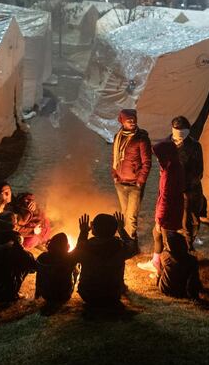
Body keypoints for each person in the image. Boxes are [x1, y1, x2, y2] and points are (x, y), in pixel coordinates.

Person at [138, 140, 186, 275]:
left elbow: (166, 198)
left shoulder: (169, 173)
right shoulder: (175, 166)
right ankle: (156, 262)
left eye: (159, 156)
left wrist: (160, 219)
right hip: (175, 209)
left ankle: (167, 271)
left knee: (167, 240)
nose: (157, 159)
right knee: (156, 233)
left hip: (168, 213)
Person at [72, 212, 136, 306]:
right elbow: (132, 247)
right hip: (113, 295)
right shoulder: (120, 247)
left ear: (94, 230)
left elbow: (76, 255)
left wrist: (83, 232)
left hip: (89, 294)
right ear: (115, 230)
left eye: (93, 224)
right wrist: (121, 230)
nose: (91, 224)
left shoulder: (86, 246)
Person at [111, 108, 152, 253]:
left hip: (135, 184)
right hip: (121, 182)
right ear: (122, 121)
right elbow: (115, 157)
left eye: (134, 119)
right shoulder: (118, 136)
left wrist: (140, 181)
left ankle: (133, 245)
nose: (133, 122)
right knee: (124, 213)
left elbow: (147, 162)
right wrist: (115, 175)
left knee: (132, 216)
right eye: (129, 120)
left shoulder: (141, 138)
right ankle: (125, 240)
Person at [0, 211, 37, 301]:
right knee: (24, 262)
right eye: (15, 223)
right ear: (11, 226)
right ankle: (12, 294)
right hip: (3, 292)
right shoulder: (12, 244)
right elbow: (33, 266)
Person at [169, 116, 206, 250]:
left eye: (182, 130)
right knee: (178, 216)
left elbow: (199, 170)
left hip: (190, 188)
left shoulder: (195, 146)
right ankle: (184, 241)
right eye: (177, 129)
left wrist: (187, 185)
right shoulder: (167, 144)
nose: (179, 133)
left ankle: (190, 239)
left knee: (193, 216)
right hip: (172, 187)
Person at [35, 233, 78, 303]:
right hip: (62, 296)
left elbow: (39, 276)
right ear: (66, 246)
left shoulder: (42, 257)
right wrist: (83, 232)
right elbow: (79, 248)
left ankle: (38, 294)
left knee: (41, 271)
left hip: (45, 294)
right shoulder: (68, 258)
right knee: (76, 268)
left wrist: (37, 293)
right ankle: (68, 291)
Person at [158, 231, 201, 299]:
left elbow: (160, 271)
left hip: (165, 289)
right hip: (180, 293)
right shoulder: (192, 260)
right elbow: (193, 282)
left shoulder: (164, 256)